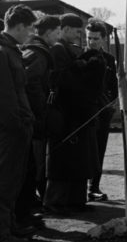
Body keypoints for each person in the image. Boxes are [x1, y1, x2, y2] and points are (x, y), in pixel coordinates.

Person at [45, 14, 106, 215]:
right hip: (67, 113)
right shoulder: (58, 50)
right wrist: (85, 68)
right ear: (66, 29)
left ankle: (75, 200)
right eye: (78, 32)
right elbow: (64, 80)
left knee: (80, 158)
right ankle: (56, 201)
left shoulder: (68, 49)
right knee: (63, 160)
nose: (81, 36)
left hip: (79, 113)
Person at [17, 15, 61, 227]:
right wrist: (40, 108)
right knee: (30, 166)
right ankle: (26, 213)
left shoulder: (37, 50)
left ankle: (30, 208)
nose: (60, 36)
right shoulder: (38, 53)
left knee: (32, 165)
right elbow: (27, 82)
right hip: (30, 117)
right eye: (58, 31)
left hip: (30, 115)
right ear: (49, 31)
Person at [0, 5, 36, 242]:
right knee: (5, 181)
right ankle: (3, 233)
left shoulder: (10, 50)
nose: (32, 33)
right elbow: (5, 97)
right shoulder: (3, 52)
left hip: (17, 127)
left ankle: (10, 225)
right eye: (30, 28)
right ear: (20, 26)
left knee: (14, 180)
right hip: (10, 129)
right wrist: (18, 125)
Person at [84, 20, 118, 202]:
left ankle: (93, 187)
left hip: (102, 112)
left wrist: (111, 104)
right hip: (82, 113)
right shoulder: (80, 55)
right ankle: (79, 189)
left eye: (96, 38)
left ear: (104, 39)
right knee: (83, 150)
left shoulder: (109, 60)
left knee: (99, 149)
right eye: (89, 38)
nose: (92, 42)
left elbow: (113, 85)